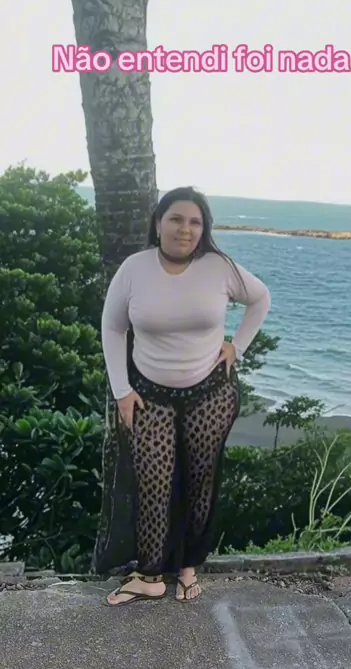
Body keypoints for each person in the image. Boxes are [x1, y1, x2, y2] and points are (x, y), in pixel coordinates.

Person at [98, 186, 271, 606]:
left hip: (210, 395)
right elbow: (113, 327)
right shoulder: (135, 268)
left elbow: (260, 298)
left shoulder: (218, 267)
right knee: (154, 483)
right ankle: (150, 575)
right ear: (158, 223)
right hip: (149, 397)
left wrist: (237, 347)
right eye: (176, 219)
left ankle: (190, 567)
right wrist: (121, 391)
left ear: (204, 228)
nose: (185, 229)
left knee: (200, 481)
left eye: (195, 222)